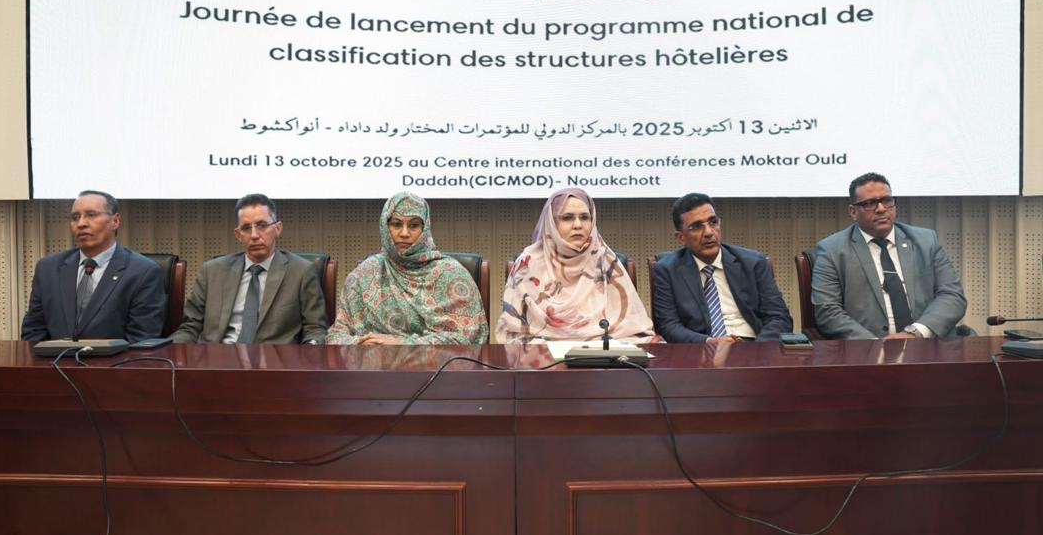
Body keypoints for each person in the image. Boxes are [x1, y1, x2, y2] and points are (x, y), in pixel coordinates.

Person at [812, 172, 967, 339]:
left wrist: (916, 333)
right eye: (870, 203)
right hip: (868, 348)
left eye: (886, 201)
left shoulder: (926, 241)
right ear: (853, 212)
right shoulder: (832, 250)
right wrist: (875, 345)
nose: (881, 209)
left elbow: (952, 295)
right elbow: (827, 311)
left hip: (926, 343)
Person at [497, 187, 657, 344]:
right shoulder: (528, 264)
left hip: (602, 354)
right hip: (543, 354)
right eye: (567, 218)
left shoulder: (606, 261)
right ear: (551, 222)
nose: (578, 225)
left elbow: (633, 328)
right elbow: (513, 333)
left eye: (585, 217)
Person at [326, 192, 488, 345]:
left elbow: (467, 337)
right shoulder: (363, 274)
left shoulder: (451, 274)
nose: (404, 233)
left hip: (437, 365)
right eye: (396, 224)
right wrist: (362, 343)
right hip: (371, 362)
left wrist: (401, 343)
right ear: (385, 227)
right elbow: (336, 336)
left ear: (425, 229)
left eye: (414, 225)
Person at [172, 193, 329, 344]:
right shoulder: (212, 271)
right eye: (246, 228)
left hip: (273, 359)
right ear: (238, 235)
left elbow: (315, 328)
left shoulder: (301, 272)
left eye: (262, 225)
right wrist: (172, 350)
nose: (254, 235)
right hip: (216, 355)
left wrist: (310, 350)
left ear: (278, 228)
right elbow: (190, 327)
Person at [21, 190, 166, 342]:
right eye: (75, 217)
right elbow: (33, 332)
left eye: (91, 215)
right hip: (54, 357)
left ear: (115, 221)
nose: (81, 224)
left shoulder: (143, 272)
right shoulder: (48, 269)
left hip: (116, 358)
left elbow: (141, 339)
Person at [653, 193, 791, 342]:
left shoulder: (753, 263)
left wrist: (755, 349)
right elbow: (669, 326)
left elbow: (779, 317)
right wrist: (709, 342)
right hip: (701, 347)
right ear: (681, 237)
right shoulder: (667, 270)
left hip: (753, 344)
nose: (709, 232)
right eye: (697, 227)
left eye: (713, 222)